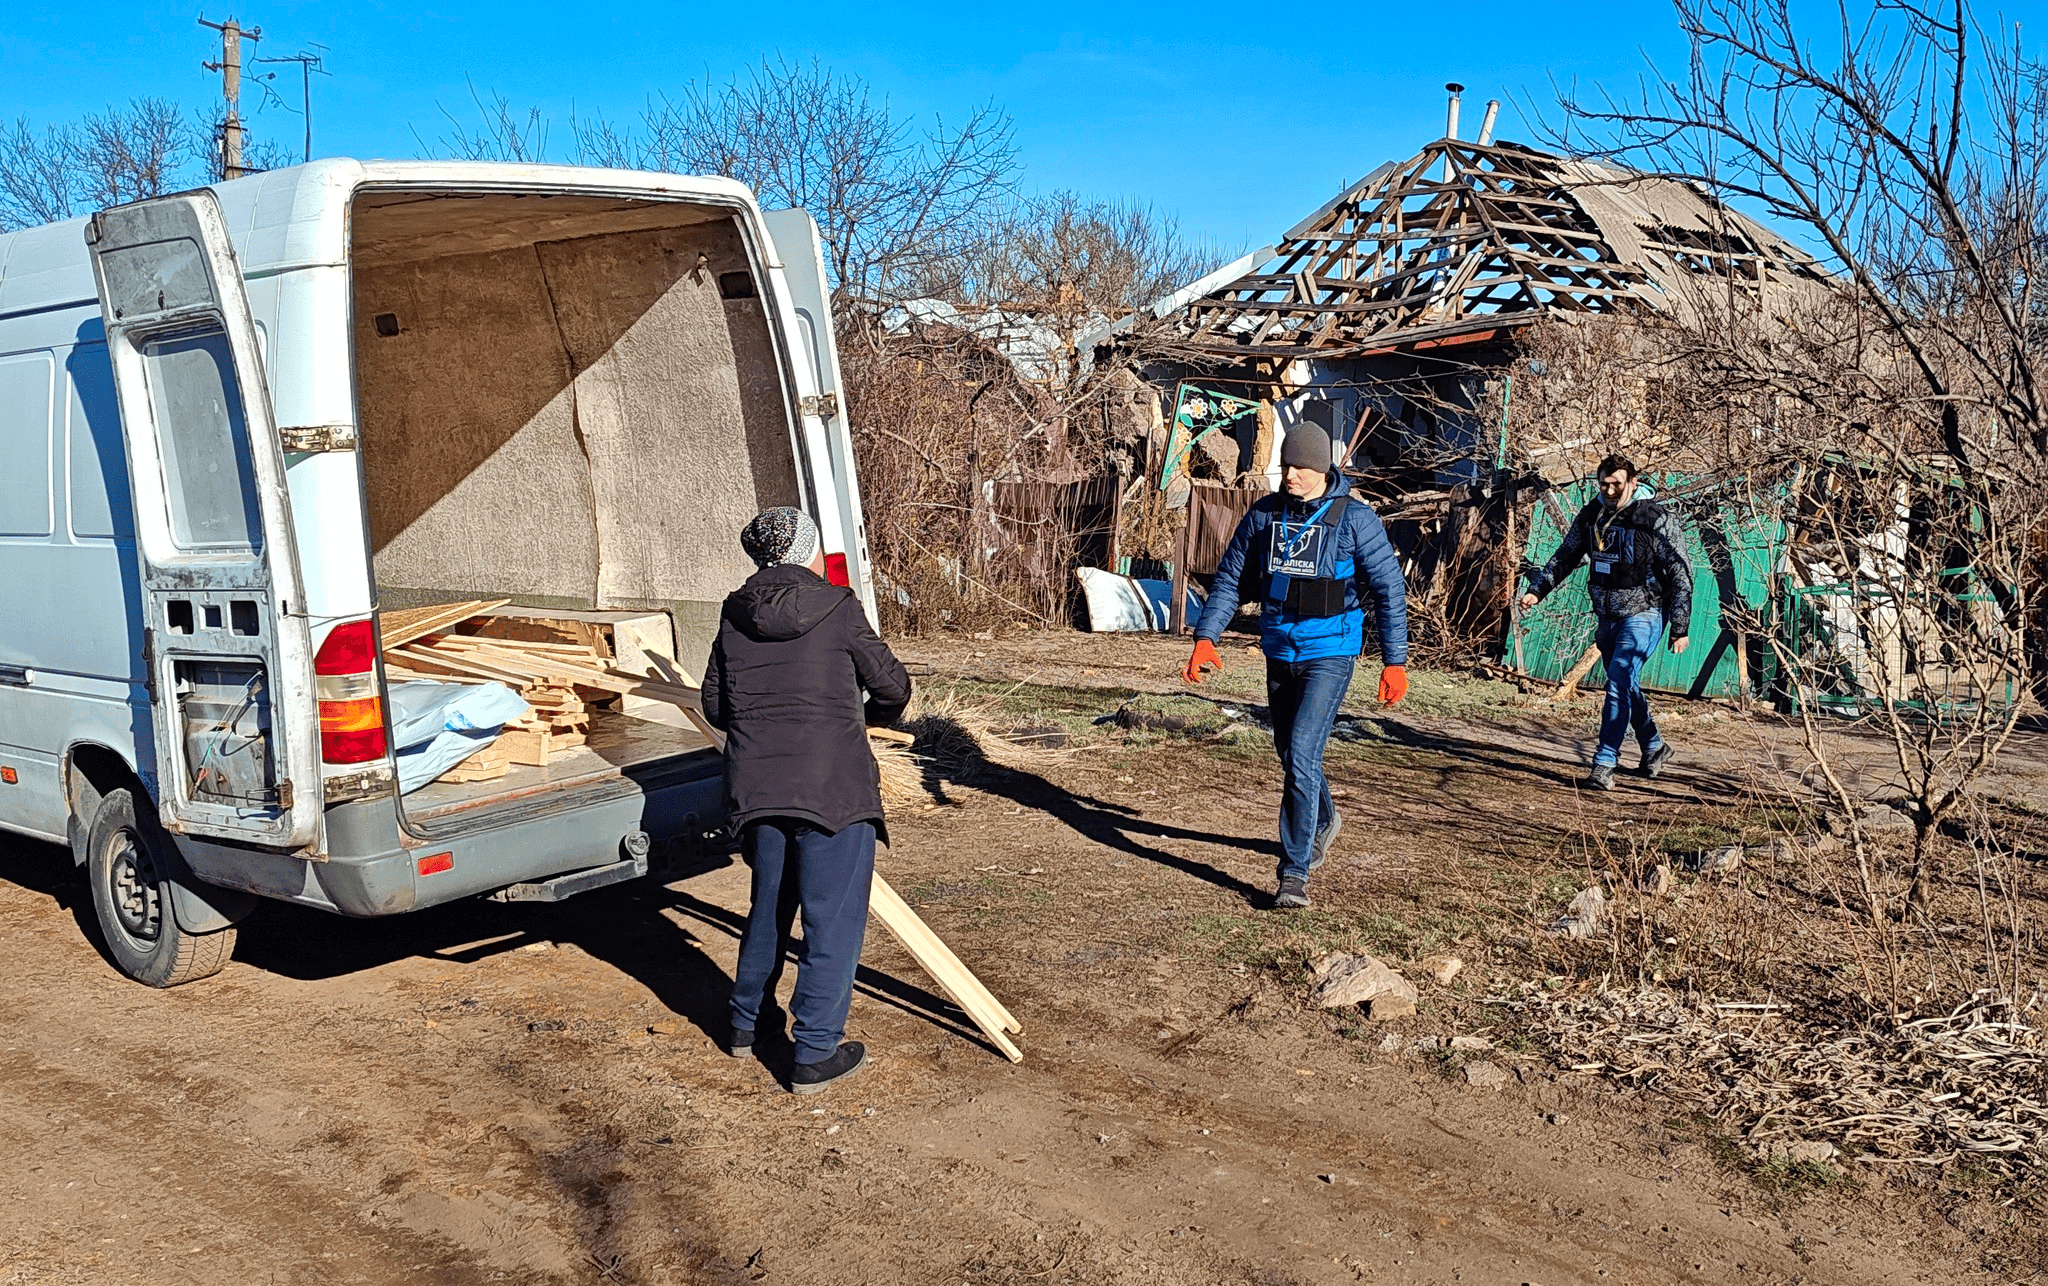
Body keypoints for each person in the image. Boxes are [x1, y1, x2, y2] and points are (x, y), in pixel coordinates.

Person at [701, 505, 911, 1094]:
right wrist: (860, 720)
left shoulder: (732, 613)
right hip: (832, 790)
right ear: (808, 552)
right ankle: (814, 1052)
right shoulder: (838, 608)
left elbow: (716, 706)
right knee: (831, 920)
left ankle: (747, 1024)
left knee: (769, 908)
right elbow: (894, 687)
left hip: (758, 790)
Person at [1182, 422, 1409, 910]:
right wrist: (1205, 637)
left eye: (1301, 468)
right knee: (1290, 753)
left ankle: (1294, 872)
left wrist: (1395, 662)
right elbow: (1229, 579)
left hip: (1330, 653)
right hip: (1279, 650)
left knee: (1302, 752)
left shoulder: (1355, 520)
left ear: (1324, 468)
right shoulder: (1265, 516)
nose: (1291, 476)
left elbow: (1390, 590)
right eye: (1286, 466)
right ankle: (1323, 818)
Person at [1518, 454, 1692, 791]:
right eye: (1604, 484)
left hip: (1645, 613)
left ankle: (1604, 763)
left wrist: (1680, 626)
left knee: (1617, 683)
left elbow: (1679, 571)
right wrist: (1538, 589)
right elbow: (1565, 554)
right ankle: (1655, 746)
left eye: (1617, 484)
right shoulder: (1591, 515)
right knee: (1624, 683)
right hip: (1606, 615)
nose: (1610, 490)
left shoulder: (1655, 518)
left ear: (1633, 483)